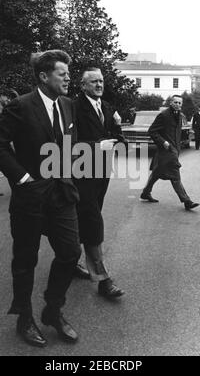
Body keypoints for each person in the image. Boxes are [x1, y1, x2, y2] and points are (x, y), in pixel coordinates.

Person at [0, 50, 81, 348]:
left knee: (70, 253)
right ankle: (24, 318)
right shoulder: (20, 106)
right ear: (43, 76)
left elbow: (69, 145)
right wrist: (23, 178)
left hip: (61, 195)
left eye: (68, 73)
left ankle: (52, 310)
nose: (68, 77)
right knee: (25, 261)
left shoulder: (67, 105)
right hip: (31, 197)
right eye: (62, 73)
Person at [73, 67, 125, 298]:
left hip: (101, 174)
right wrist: (97, 146)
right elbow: (66, 141)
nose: (99, 85)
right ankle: (103, 280)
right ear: (83, 85)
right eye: (94, 82)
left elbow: (118, 140)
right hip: (80, 174)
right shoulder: (73, 107)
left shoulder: (106, 108)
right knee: (93, 222)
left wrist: (118, 127)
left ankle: (71, 261)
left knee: (82, 219)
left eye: (101, 81)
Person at [140, 95, 200, 211]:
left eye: (180, 103)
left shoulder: (179, 115)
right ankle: (187, 201)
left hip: (173, 150)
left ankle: (145, 193)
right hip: (166, 150)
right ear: (171, 103)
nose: (178, 105)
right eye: (175, 102)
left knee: (156, 173)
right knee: (175, 176)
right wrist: (163, 142)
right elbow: (152, 131)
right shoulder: (163, 115)